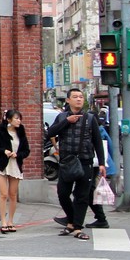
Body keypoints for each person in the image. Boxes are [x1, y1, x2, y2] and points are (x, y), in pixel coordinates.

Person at [45, 87, 106, 241]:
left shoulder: (90, 118)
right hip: (66, 162)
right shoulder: (62, 117)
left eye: (81, 97)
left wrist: (102, 163)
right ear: (68, 100)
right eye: (75, 97)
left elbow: (97, 142)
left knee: (82, 196)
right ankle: (71, 221)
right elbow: (50, 133)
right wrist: (66, 121)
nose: (79, 99)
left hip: (85, 161)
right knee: (63, 193)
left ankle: (77, 227)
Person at [0, 108, 29, 233]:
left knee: (13, 195)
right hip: (2, 165)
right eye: (16, 118)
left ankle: (11, 221)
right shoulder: (1, 132)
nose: (19, 121)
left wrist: (18, 155)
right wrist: (3, 151)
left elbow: (26, 151)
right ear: (9, 119)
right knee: (3, 194)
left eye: (20, 118)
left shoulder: (21, 132)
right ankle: (3, 221)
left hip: (15, 165)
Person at [86, 120, 117, 229]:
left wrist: (104, 164)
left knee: (88, 192)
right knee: (86, 192)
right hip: (99, 165)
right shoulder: (101, 131)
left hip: (96, 165)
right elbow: (111, 148)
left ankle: (101, 218)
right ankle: (100, 218)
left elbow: (108, 148)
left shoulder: (98, 132)